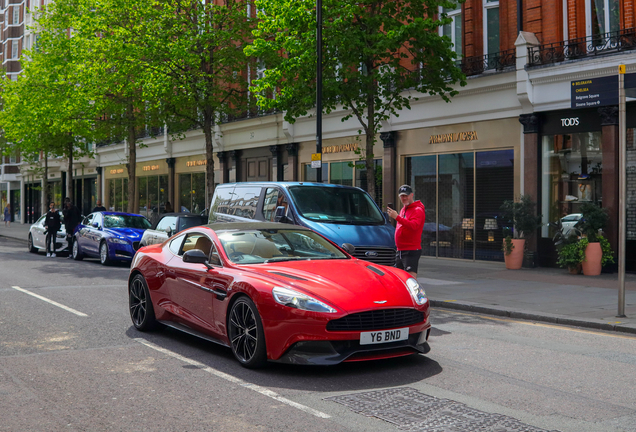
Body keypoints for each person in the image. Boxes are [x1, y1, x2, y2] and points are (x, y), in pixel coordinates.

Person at [386, 185, 425, 278]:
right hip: (400, 249)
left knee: (410, 277)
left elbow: (414, 226)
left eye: (406, 195)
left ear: (412, 195)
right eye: (402, 196)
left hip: (411, 249)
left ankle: (413, 293)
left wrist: (397, 217)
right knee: (400, 277)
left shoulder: (418, 210)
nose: (404, 198)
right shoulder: (404, 209)